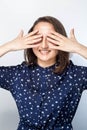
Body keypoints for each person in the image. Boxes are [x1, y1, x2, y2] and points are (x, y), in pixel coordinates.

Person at [0, 16, 87, 130]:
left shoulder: (75, 75)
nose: (44, 45)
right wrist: (9, 46)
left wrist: (78, 48)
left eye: (51, 38)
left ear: (62, 41)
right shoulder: (17, 74)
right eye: (38, 38)